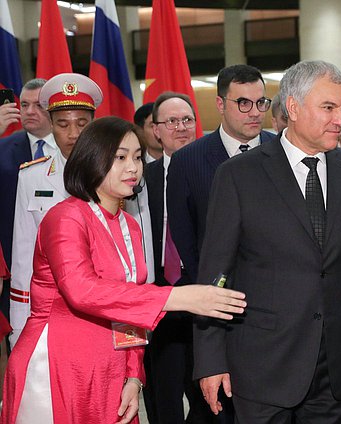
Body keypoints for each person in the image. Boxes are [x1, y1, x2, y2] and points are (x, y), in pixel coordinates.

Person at [1, 116, 246, 424]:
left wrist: (133, 376)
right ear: (91, 159)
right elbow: (82, 290)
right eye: (120, 157)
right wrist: (178, 298)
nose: (133, 167)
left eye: (137, 157)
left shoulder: (129, 224)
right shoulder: (65, 218)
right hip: (58, 363)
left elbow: (129, 306)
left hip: (110, 366)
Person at [194, 60, 341, 423]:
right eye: (328, 108)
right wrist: (210, 359)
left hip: (337, 365)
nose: (340, 120)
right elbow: (216, 272)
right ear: (293, 108)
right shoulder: (238, 175)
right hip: (262, 363)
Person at [8, 73, 101, 347]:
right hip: (48, 312)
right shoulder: (32, 177)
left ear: (93, 124)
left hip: (103, 308)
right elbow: (23, 256)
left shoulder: (118, 172)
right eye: (62, 124)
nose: (73, 134)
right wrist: (20, 327)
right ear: (51, 125)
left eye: (82, 124)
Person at [167, 64, 275, 283]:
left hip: (279, 292)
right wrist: (210, 287)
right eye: (243, 103)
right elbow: (184, 237)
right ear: (220, 104)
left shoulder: (281, 152)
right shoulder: (187, 161)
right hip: (217, 296)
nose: (255, 112)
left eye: (261, 103)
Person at [141, 91, 202, 423]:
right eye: (172, 121)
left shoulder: (216, 172)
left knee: (208, 395)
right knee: (163, 396)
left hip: (201, 295)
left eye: (187, 120)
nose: (181, 127)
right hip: (157, 299)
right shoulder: (139, 179)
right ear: (156, 130)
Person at [0, 79, 54, 324]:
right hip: (13, 266)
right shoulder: (3, 147)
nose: (29, 111)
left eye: (39, 105)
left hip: (61, 263)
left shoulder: (76, 147)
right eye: (24, 104)